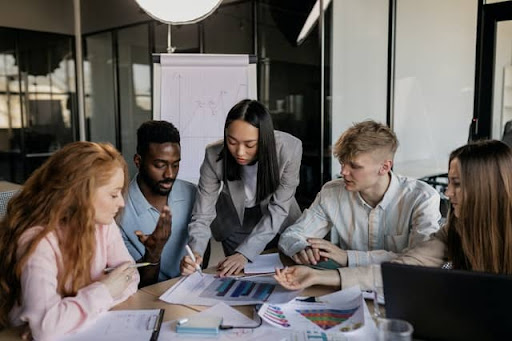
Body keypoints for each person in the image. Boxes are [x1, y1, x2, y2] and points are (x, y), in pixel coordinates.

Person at [274, 139, 512, 291]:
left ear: (487, 187)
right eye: (449, 182)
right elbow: (405, 269)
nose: (448, 193)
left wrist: (346, 257)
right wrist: (317, 276)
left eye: (457, 184)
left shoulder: (421, 197)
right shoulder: (454, 228)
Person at [0, 142, 139, 340]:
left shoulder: (103, 225)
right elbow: (47, 328)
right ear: (80, 194)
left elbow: (130, 276)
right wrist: (106, 289)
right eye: (113, 194)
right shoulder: (38, 240)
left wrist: (70, 314)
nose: (122, 203)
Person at [279, 120, 440, 268]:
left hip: (402, 289)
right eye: (342, 163)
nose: (343, 172)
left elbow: (421, 261)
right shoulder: (332, 193)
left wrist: (348, 257)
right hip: (346, 289)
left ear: (384, 167)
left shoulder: (422, 198)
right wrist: (302, 248)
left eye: (354, 166)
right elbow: (292, 235)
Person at [181, 99, 302, 277]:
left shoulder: (289, 149)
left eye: (250, 144)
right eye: (232, 141)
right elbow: (202, 214)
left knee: (281, 276)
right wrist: (195, 252)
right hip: (234, 222)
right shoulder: (214, 154)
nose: (240, 152)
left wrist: (245, 252)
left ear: (265, 139)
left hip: (278, 220)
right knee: (240, 277)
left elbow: (278, 209)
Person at [118, 121, 196, 286]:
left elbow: (204, 241)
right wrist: (154, 253)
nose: (169, 174)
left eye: (175, 165)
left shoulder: (192, 193)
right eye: (160, 165)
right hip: (148, 299)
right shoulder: (118, 210)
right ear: (138, 161)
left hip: (191, 290)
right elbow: (136, 284)